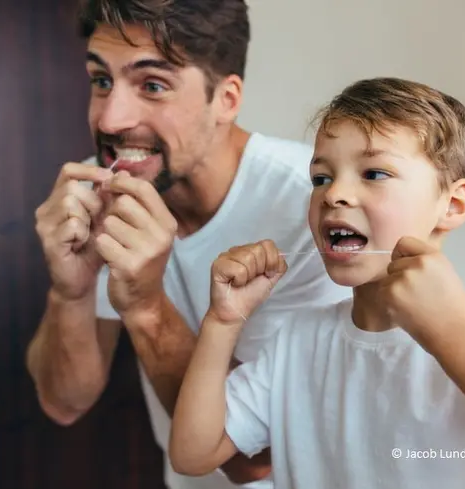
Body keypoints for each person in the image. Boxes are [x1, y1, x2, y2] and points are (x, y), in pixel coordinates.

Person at [168, 77, 465, 489]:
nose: (334, 194)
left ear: (453, 204)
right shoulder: (297, 342)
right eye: (321, 178)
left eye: (373, 174)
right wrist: (223, 322)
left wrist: (455, 335)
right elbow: (193, 454)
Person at [26, 1, 352, 488]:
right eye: (101, 81)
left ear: (226, 98)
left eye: (152, 85)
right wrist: (69, 291)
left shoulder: (317, 210)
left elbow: (255, 460)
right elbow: (64, 402)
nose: (111, 120)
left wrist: (146, 306)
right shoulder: (103, 198)